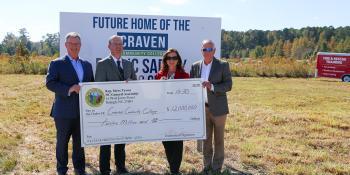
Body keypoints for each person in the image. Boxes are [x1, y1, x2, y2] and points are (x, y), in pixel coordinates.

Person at [46, 32, 94, 175]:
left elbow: (91, 85)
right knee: (62, 142)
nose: (74, 46)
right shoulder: (57, 63)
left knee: (80, 143)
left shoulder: (87, 65)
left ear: (80, 46)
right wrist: (69, 89)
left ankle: (79, 169)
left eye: (77, 44)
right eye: (71, 44)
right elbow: (50, 83)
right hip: (63, 112)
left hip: (82, 112)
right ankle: (62, 170)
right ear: (66, 45)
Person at [95, 35, 137, 175]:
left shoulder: (129, 64)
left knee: (121, 139)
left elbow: (135, 85)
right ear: (109, 46)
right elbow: (99, 88)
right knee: (106, 141)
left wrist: (130, 83)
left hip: (125, 110)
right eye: (115, 44)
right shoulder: (102, 64)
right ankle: (105, 169)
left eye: (120, 44)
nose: (118, 46)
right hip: (108, 110)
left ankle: (121, 167)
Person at [189, 40, 232, 173]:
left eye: (209, 49)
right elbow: (191, 86)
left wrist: (212, 86)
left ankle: (216, 167)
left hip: (219, 109)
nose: (206, 52)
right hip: (203, 108)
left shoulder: (223, 65)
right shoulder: (195, 66)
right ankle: (206, 165)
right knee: (206, 140)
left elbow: (228, 85)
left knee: (219, 140)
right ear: (201, 50)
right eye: (204, 49)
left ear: (214, 51)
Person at [155, 48, 189, 174]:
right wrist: (160, 85)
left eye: (174, 58)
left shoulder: (185, 75)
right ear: (165, 60)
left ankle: (175, 169)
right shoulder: (159, 75)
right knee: (166, 141)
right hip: (163, 113)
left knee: (177, 141)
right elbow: (155, 95)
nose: (171, 60)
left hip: (179, 113)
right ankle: (172, 165)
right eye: (169, 58)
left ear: (178, 60)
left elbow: (188, 95)